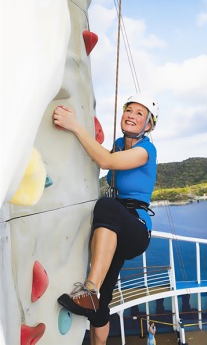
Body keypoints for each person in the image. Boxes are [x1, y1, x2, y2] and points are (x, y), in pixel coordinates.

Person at [52, 94, 159, 345]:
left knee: (107, 206)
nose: (131, 115)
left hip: (136, 228)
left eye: (139, 113)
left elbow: (106, 160)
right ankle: (95, 308)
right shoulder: (120, 143)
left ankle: (89, 290)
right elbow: (98, 156)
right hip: (115, 228)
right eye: (128, 110)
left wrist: (74, 124)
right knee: (102, 305)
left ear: (149, 125)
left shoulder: (146, 150)